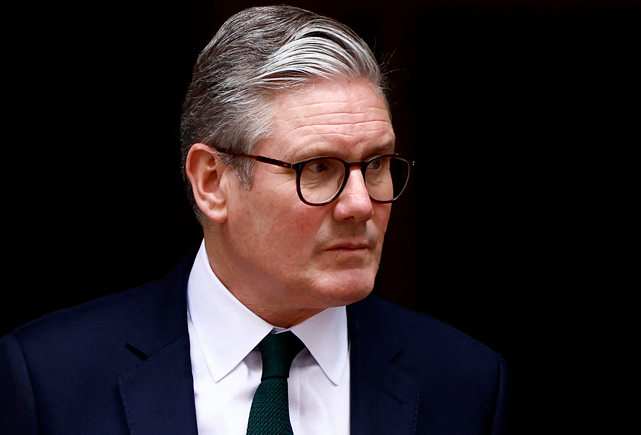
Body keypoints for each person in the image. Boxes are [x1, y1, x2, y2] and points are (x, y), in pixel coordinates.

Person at [0, 5, 515, 434]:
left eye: (376, 165)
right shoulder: (52, 379)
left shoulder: (464, 383)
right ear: (211, 182)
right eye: (318, 168)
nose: (360, 203)